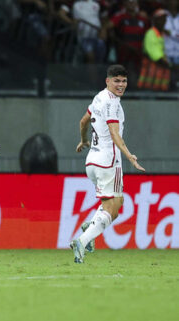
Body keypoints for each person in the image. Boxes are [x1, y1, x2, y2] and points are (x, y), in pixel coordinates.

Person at [72, 64, 145, 264]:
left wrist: (83, 140)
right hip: (108, 162)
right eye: (116, 81)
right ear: (108, 81)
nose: (121, 85)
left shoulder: (99, 97)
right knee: (111, 210)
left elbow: (82, 122)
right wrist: (130, 156)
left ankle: (91, 226)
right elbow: (114, 134)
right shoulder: (112, 102)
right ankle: (82, 240)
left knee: (117, 203)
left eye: (124, 81)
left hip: (92, 162)